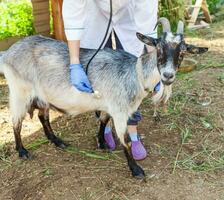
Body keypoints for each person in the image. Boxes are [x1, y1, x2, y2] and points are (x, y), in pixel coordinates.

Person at [62, 0, 158, 160]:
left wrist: (155, 68)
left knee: (133, 80)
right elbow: (73, 15)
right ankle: (104, 126)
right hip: (93, 16)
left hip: (129, 17)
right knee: (99, 75)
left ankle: (133, 135)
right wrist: (74, 63)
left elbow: (147, 22)